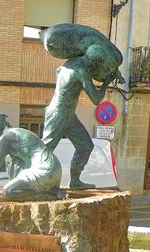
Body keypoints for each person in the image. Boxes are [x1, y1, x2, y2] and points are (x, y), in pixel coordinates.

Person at [42, 43, 123, 189]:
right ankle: (26, 175)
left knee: (85, 146)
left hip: (68, 114)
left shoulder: (70, 63)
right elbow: (96, 99)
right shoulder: (82, 71)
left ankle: (75, 181)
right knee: (45, 149)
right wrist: (106, 83)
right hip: (59, 113)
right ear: (94, 62)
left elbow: (57, 71)